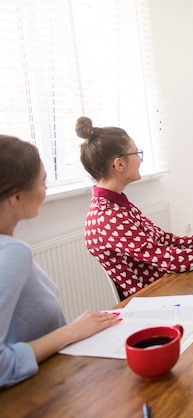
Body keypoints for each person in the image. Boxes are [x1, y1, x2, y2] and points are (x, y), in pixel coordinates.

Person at [77, 117, 193, 300]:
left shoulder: (117, 205)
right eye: (136, 153)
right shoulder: (108, 216)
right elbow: (168, 259)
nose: (140, 159)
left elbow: (165, 241)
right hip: (159, 298)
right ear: (119, 164)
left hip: (169, 285)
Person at [0, 135, 120, 390]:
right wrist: (73, 331)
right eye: (42, 182)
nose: (45, 191)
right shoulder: (11, 253)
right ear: (15, 197)